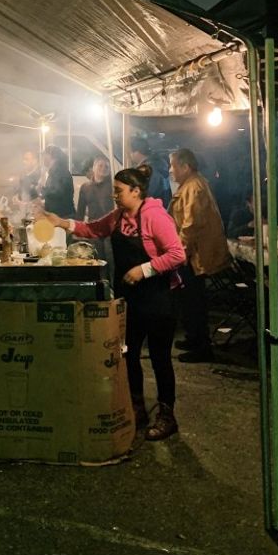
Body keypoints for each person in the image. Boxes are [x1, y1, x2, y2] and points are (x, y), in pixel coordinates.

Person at [43, 165, 186, 441]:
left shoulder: (156, 217)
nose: (115, 196)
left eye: (119, 191)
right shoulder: (119, 217)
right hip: (130, 298)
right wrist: (62, 222)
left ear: (136, 191)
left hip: (158, 298)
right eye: (114, 191)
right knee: (128, 354)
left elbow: (177, 254)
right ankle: (137, 408)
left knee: (159, 358)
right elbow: (93, 229)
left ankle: (167, 416)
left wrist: (144, 269)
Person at [168, 148, 232, 363]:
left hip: (196, 256)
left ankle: (201, 346)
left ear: (185, 167)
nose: (170, 170)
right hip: (194, 254)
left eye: (173, 165)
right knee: (190, 299)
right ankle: (194, 338)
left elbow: (191, 224)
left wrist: (180, 251)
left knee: (194, 301)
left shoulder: (194, 188)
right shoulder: (191, 185)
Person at [129, 138, 170, 206]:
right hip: (163, 208)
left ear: (137, 152)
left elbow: (146, 195)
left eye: (131, 152)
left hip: (152, 211)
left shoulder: (147, 170)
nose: (130, 155)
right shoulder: (159, 163)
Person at [40, 144, 75, 218]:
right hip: (59, 216)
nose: (43, 158)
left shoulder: (59, 171)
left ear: (52, 156)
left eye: (45, 155)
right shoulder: (54, 172)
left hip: (63, 217)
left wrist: (42, 189)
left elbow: (58, 192)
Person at [76, 156, 113, 221]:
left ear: (109, 170)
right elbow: (80, 213)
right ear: (93, 168)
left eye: (106, 167)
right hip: (93, 226)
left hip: (110, 226)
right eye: (100, 165)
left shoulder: (114, 187)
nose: (103, 168)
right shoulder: (85, 187)